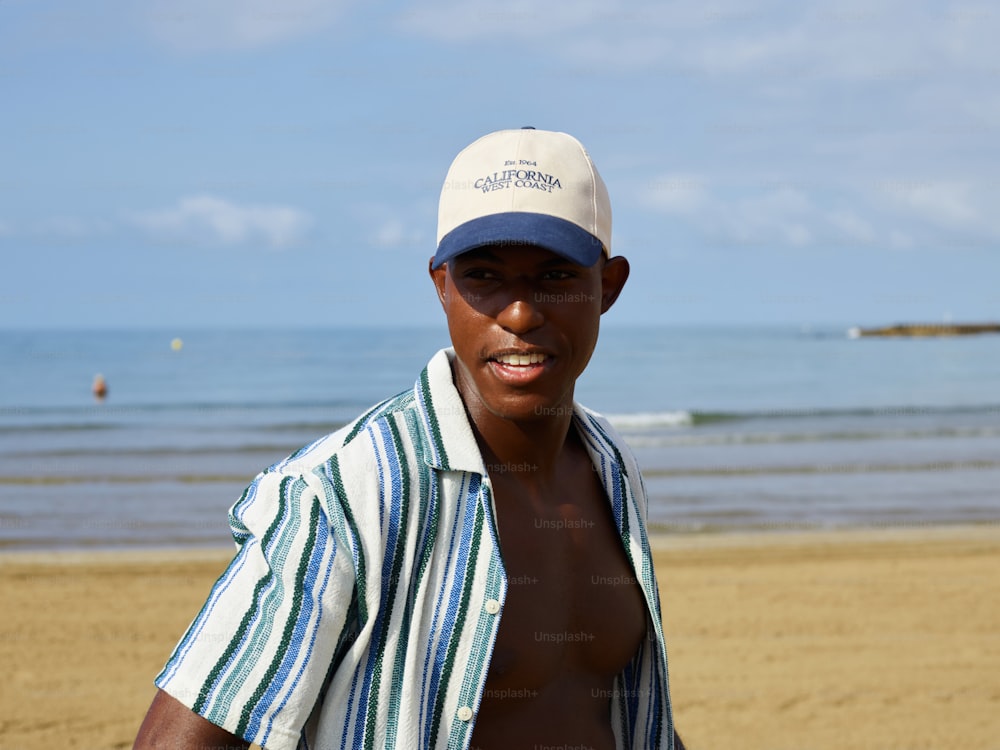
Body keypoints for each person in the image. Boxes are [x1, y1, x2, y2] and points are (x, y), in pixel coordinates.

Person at [134, 127, 683, 749]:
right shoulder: (343, 493)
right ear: (441, 285)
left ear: (607, 286)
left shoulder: (609, 466)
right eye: (484, 276)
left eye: (554, 275)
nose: (521, 314)